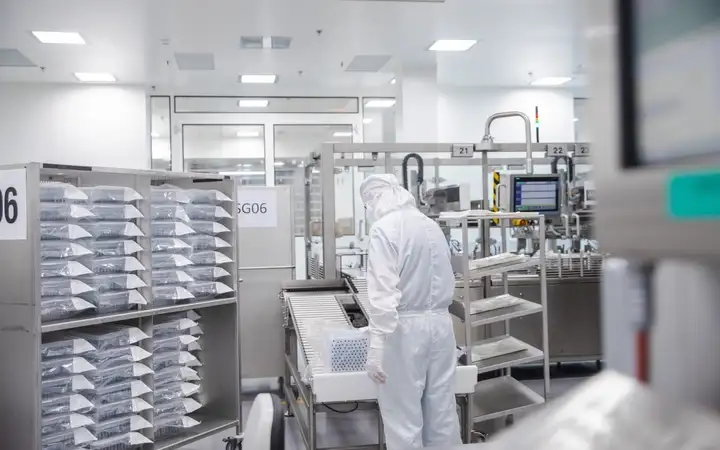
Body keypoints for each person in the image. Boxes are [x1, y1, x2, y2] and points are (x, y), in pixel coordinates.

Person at [360, 173, 461, 449]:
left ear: (377, 198)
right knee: (442, 413)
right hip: (441, 326)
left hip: (403, 332)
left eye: (369, 201)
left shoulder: (385, 229)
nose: (370, 208)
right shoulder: (430, 225)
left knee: (403, 419)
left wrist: (377, 344)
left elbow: (383, 293)